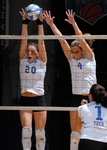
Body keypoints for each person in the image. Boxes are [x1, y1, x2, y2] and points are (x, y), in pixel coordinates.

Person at [43, 10, 97, 150]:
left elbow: (81, 40)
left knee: (91, 132)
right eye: (72, 52)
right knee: (74, 134)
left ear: (83, 50)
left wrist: (74, 24)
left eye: (77, 52)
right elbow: (61, 39)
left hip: (91, 98)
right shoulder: (71, 59)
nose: (74, 54)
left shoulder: (90, 57)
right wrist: (51, 24)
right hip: (76, 97)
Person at [19, 8, 47, 150]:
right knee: (26, 132)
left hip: (39, 98)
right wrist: (25, 22)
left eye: (32, 51)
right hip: (25, 98)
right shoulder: (23, 60)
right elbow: (23, 40)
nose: (29, 52)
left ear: (37, 54)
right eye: (28, 50)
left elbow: (41, 42)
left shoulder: (42, 61)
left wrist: (40, 23)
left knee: (40, 134)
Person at [78, 84, 107, 150]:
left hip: (87, 139)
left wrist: (83, 106)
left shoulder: (82, 108)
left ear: (90, 96)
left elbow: (79, 126)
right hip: (104, 140)